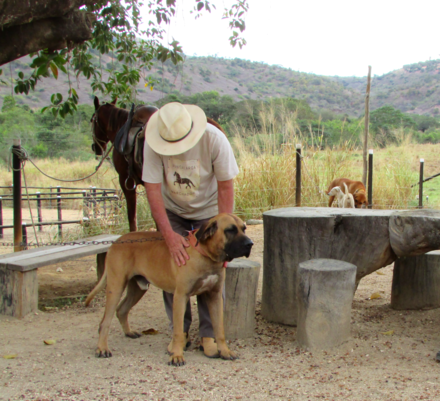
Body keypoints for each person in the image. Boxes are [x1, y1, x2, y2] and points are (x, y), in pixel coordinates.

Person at [142, 102, 239, 358]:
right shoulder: (152, 143)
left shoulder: (214, 139)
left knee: (212, 271)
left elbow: (226, 187)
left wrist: (223, 238)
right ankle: (180, 333)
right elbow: (152, 189)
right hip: (172, 210)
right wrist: (169, 236)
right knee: (174, 266)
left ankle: (208, 335)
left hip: (209, 212)